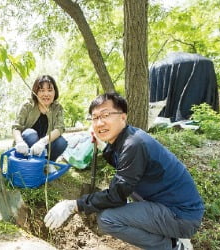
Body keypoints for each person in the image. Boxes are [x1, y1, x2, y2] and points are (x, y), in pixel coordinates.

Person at [44, 92, 204, 250]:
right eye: (95, 118)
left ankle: (173, 245)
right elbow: (122, 164)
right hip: (173, 205)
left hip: (182, 215)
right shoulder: (129, 137)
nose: (99, 123)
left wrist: (74, 205)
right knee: (126, 195)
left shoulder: (133, 144)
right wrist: (103, 147)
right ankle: (171, 235)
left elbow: (116, 196)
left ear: (123, 116)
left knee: (107, 219)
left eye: (105, 115)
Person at [12, 75, 68, 172]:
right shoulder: (27, 105)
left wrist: (43, 142)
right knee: (30, 134)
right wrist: (19, 142)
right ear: (35, 92)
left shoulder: (57, 108)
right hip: (27, 145)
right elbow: (16, 127)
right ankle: (31, 162)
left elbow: (60, 128)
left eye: (50, 90)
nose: (46, 94)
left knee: (61, 142)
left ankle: (48, 162)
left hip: (45, 145)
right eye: (42, 90)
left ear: (55, 92)